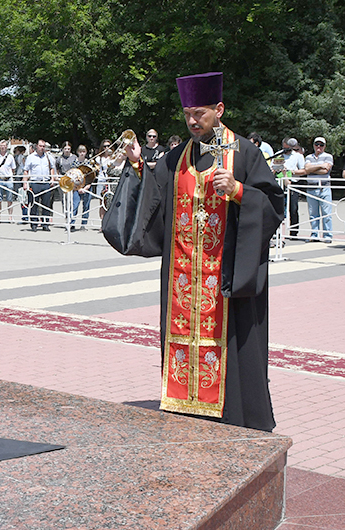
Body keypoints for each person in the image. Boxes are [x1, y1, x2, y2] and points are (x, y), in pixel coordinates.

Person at [107, 71, 284, 432]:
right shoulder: (177, 158)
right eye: (187, 114)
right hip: (184, 281)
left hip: (226, 276)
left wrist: (238, 191)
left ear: (219, 109)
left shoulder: (245, 154)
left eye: (199, 114)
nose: (192, 121)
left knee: (235, 346)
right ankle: (186, 406)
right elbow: (154, 205)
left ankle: (237, 413)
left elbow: (272, 208)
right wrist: (140, 166)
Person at [274, 137, 306, 238]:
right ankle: (278, 232)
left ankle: (293, 232)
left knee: (293, 208)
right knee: (279, 207)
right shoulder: (279, 154)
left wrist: (291, 171)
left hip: (293, 183)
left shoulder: (297, 156)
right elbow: (273, 167)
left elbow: (303, 171)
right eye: (284, 148)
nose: (285, 150)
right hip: (280, 182)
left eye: (288, 148)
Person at [304, 136, 334, 242]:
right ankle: (314, 234)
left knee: (326, 213)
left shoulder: (328, 156)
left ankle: (327, 235)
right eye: (317, 144)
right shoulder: (308, 157)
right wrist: (320, 165)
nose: (319, 147)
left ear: (325, 146)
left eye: (321, 145)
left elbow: (326, 170)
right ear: (313, 145)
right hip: (311, 187)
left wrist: (311, 169)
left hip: (324, 187)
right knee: (313, 214)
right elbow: (306, 169)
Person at [23, 139, 56, 232]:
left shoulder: (48, 157)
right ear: (36, 146)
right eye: (40, 146)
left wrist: (52, 178)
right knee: (34, 204)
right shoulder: (30, 157)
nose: (42, 148)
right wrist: (25, 183)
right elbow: (26, 170)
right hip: (35, 182)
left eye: (43, 146)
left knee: (46, 204)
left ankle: (45, 224)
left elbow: (52, 168)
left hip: (45, 182)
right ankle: (34, 223)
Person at [0, 140, 16, 223]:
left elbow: (13, 169)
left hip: (8, 179)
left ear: (7, 147)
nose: (3, 147)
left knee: (9, 199)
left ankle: (10, 217)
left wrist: (10, 175)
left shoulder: (10, 157)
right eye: (1, 145)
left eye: (4, 145)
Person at [70, 144, 92, 231]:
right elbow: (72, 176)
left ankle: (84, 224)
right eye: (80, 152)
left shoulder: (89, 162)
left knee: (86, 205)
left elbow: (92, 176)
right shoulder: (74, 163)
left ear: (86, 152)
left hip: (87, 186)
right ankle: (71, 223)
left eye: (83, 151)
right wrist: (78, 187)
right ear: (77, 152)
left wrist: (87, 187)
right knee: (75, 205)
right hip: (76, 187)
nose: (82, 153)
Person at [13, 145, 28, 224]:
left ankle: (25, 215)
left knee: (22, 195)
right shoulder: (21, 157)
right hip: (21, 176)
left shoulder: (16, 157)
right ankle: (25, 215)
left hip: (19, 176)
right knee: (23, 195)